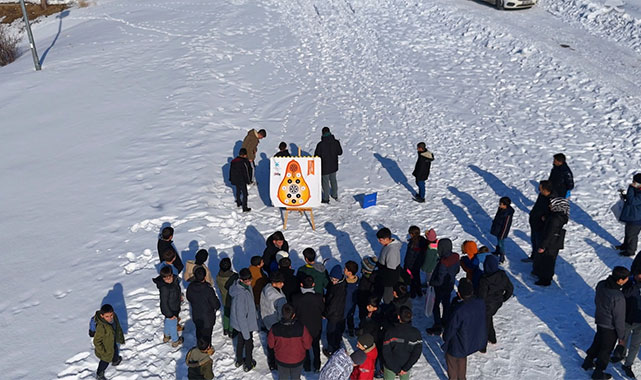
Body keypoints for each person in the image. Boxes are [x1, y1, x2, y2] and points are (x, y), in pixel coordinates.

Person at [582, 266, 630, 380]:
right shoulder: (618, 297)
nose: (627, 280)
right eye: (626, 279)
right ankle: (598, 372)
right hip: (610, 327)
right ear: (620, 280)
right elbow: (619, 318)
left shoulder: (601, 284)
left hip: (600, 320)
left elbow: (597, 300)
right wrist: (621, 337)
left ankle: (588, 361)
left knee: (597, 341)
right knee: (606, 350)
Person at [442, 279, 487, 380]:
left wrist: (446, 337)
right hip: (469, 340)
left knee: (452, 361)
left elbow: (451, 328)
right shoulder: (480, 303)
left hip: (457, 342)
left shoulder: (459, 310)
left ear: (459, 293)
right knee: (462, 359)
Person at [268, 303, 313, 379]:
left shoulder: (275, 328)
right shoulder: (301, 328)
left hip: (281, 360)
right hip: (297, 360)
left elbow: (271, 345)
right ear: (293, 315)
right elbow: (308, 345)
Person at [477, 255, 513, 349]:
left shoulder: (484, 280)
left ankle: (482, 345)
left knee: (484, 323)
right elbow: (510, 289)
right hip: (497, 303)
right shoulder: (502, 275)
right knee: (488, 319)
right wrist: (503, 298)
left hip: (487, 305)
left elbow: (482, 296)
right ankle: (492, 338)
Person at [611, 269, 641, 378]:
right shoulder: (629, 282)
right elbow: (625, 294)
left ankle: (628, 364)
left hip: (639, 322)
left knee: (635, 345)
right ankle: (620, 355)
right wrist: (638, 285)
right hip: (627, 318)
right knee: (623, 339)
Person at [533, 196, 569, 286]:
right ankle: (544, 276)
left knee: (547, 261)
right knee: (549, 261)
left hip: (550, 243)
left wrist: (543, 246)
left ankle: (545, 280)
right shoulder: (559, 216)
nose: (550, 206)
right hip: (554, 242)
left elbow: (549, 233)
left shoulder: (555, 219)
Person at [427, 238, 460, 335]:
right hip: (449, 285)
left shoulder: (443, 263)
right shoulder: (455, 257)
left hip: (440, 287)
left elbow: (439, 279)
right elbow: (457, 270)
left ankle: (437, 325)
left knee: (435, 305)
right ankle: (445, 321)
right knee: (446, 303)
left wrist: (432, 283)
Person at [292, 275, 325, 373]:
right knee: (315, 346)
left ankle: (306, 365)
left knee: (304, 347)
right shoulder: (319, 297)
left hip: (303, 327)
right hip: (316, 326)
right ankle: (317, 365)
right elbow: (322, 310)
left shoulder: (296, 298)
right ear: (313, 284)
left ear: (301, 284)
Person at [230, 268, 259, 372]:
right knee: (248, 343)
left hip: (243, 323)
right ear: (241, 280)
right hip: (244, 324)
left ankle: (239, 360)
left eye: (250, 280)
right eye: (247, 281)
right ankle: (248, 363)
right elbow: (241, 316)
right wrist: (246, 333)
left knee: (240, 342)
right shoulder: (240, 295)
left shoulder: (244, 287)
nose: (249, 282)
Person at [382, 306, 422, 380]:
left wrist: (396, 368)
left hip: (390, 366)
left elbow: (386, 352)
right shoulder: (416, 333)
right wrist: (406, 368)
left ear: (398, 317)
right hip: (406, 365)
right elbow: (416, 353)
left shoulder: (390, 332)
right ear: (411, 317)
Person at [187, 267, 221, 349]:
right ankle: (207, 348)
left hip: (197, 316)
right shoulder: (208, 289)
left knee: (199, 332)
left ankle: (200, 345)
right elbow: (216, 304)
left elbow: (189, 297)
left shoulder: (191, 287)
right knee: (207, 335)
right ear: (205, 277)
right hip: (207, 318)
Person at [261, 271, 287, 370]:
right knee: (277, 344)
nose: (283, 284)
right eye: (281, 282)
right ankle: (276, 362)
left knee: (270, 341)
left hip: (267, 319)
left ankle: (271, 362)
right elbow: (282, 314)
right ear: (274, 283)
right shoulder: (279, 298)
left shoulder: (266, 287)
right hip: (275, 322)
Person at [152, 266, 184, 347]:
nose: (169, 280)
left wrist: (179, 295)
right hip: (170, 310)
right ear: (162, 278)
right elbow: (164, 303)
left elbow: (177, 289)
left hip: (174, 306)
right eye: (166, 279)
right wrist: (169, 314)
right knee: (173, 326)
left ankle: (166, 336)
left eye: (170, 277)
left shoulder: (175, 280)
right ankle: (175, 341)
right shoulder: (165, 288)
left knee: (168, 322)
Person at [93, 304, 125, 380]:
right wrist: (103, 352)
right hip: (106, 348)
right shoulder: (101, 327)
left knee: (115, 349)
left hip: (112, 341)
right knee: (105, 361)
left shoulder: (114, 318)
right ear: (102, 316)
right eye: (107, 316)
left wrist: (119, 335)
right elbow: (96, 341)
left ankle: (115, 360)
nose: (110, 318)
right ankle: (99, 374)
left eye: (111, 315)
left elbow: (117, 327)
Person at [523, 180, 552, 263]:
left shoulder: (551, 199)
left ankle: (538, 261)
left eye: (540, 188)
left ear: (545, 189)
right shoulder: (541, 195)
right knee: (534, 241)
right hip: (534, 222)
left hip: (541, 225)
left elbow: (553, 213)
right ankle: (533, 257)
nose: (538, 189)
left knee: (539, 244)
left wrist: (545, 218)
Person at [314, 126, 343, 203]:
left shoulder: (320, 144)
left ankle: (326, 198)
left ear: (322, 133)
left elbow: (316, 156)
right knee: (333, 180)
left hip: (324, 166)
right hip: (334, 165)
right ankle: (335, 195)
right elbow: (340, 152)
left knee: (325, 183)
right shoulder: (336, 142)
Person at [324, 265, 348, 356]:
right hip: (340, 313)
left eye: (335, 280)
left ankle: (330, 349)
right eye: (332, 279)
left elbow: (332, 306)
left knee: (331, 332)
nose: (333, 281)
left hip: (334, 315)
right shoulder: (341, 284)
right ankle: (337, 345)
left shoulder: (338, 290)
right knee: (337, 332)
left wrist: (325, 314)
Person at [376, 227, 402, 304]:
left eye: (380, 240)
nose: (378, 241)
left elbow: (391, 269)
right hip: (387, 276)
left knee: (387, 299)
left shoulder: (392, 250)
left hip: (389, 280)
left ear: (386, 239)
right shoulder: (389, 246)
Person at [617, 173, 641, 257]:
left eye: (634, 182)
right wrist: (625, 196)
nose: (632, 183)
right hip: (632, 216)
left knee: (632, 235)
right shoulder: (638, 189)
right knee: (628, 232)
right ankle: (625, 246)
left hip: (636, 218)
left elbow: (632, 201)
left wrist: (631, 188)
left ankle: (630, 251)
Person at [215, 258, 237, 337]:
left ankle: (225, 328)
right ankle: (231, 330)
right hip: (232, 299)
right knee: (233, 315)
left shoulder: (218, 276)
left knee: (226, 314)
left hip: (224, 299)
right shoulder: (234, 277)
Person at [490, 196, 514, 263]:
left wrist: (502, 234)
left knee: (501, 244)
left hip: (502, 232)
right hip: (498, 229)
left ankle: (502, 256)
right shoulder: (501, 209)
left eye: (501, 204)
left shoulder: (508, 214)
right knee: (498, 242)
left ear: (505, 205)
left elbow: (506, 225)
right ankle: (497, 251)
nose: (499, 205)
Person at [357, 256, 381, 325]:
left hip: (365, 304)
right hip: (370, 304)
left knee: (364, 320)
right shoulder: (376, 277)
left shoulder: (366, 280)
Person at [405, 226, 427, 298]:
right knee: (417, 277)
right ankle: (419, 291)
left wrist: (406, 266)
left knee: (412, 279)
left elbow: (409, 256)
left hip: (412, 265)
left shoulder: (412, 244)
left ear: (412, 234)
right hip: (419, 263)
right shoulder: (423, 241)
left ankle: (413, 293)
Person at [229, 148, 253, 212]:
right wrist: (249, 180)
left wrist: (231, 179)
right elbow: (248, 172)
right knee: (245, 193)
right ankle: (245, 207)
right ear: (245, 155)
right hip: (242, 180)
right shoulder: (245, 162)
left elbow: (231, 171)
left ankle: (239, 202)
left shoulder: (233, 161)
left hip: (235, 179)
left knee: (238, 191)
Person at [343, 260, 360, 337]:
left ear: (349, 272)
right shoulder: (357, 281)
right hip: (352, 305)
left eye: (345, 269)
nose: (344, 270)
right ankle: (351, 332)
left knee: (343, 319)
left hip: (344, 305)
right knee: (350, 319)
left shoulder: (345, 284)